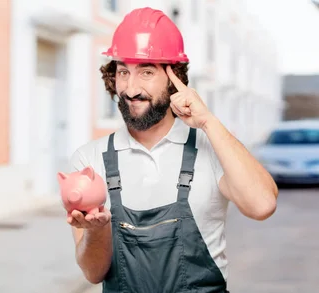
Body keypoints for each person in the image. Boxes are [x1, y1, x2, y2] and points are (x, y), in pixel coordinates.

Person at [66, 7, 278, 293]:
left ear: (173, 77)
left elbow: (262, 205)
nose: (130, 88)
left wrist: (208, 122)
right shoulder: (89, 161)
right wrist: (96, 231)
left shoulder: (210, 148)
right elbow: (93, 273)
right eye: (123, 72)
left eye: (147, 72)